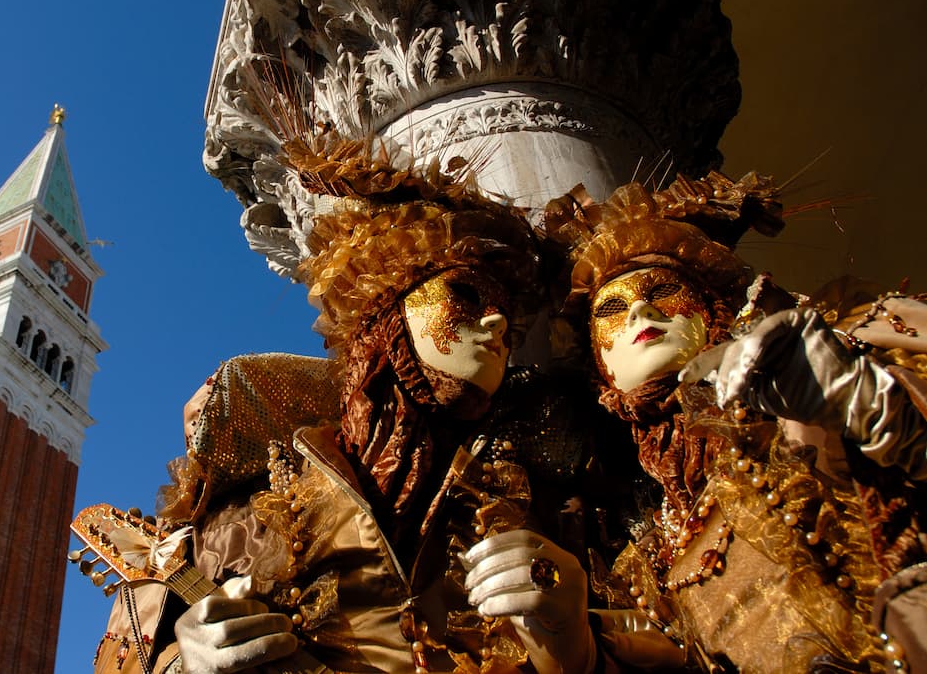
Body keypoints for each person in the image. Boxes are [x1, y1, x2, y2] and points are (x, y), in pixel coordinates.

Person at [94, 136, 672, 673]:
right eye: (464, 297)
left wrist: (571, 640)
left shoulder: (553, 508)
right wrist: (183, 661)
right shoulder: (250, 517)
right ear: (388, 323)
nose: (496, 322)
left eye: (506, 316)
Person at [542, 171, 927, 672]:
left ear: (712, 310)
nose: (639, 309)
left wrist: (865, 400)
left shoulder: (822, 366)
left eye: (663, 289)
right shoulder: (649, 532)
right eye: (612, 310)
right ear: (597, 363)